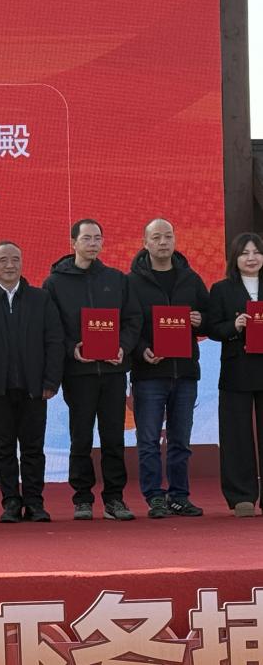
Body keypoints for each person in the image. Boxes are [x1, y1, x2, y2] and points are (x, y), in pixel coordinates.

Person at [43, 219, 142, 521]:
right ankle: (82, 498)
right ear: (73, 243)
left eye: (97, 238)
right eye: (86, 238)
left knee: (113, 437)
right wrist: (72, 348)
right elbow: (52, 326)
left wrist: (123, 346)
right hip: (79, 373)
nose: (92, 243)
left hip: (113, 372)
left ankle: (114, 499)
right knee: (81, 436)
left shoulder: (117, 279)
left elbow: (133, 319)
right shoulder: (55, 283)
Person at [0, 241, 64, 523]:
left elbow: (54, 341)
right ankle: (10, 502)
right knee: (4, 449)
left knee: (33, 449)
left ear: (22, 263)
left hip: (34, 389)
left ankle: (34, 502)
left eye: (15, 259)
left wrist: (51, 380)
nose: (10, 265)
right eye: (3, 260)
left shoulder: (40, 299)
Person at [128, 219, 210, 519]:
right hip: (149, 373)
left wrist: (201, 321)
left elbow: (211, 317)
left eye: (168, 236)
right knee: (149, 440)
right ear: (145, 242)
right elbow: (128, 324)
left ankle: (179, 496)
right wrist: (141, 349)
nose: (163, 242)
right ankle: (154, 496)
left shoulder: (191, 278)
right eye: (156, 237)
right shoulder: (132, 282)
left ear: (175, 240)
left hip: (185, 372)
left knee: (180, 440)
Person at [207, 231, 263, 517]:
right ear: (234, 258)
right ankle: (241, 496)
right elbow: (211, 327)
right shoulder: (221, 289)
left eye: (256, 252)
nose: (251, 258)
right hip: (237, 368)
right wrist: (234, 325)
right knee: (236, 433)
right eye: (244, 253)